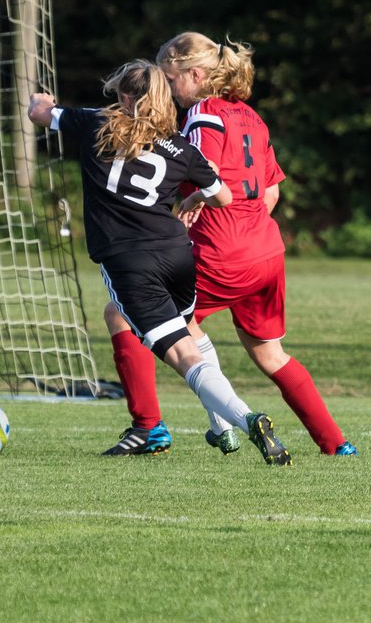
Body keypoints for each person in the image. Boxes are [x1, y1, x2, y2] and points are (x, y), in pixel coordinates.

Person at [27, 59, 292, 465]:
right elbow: (222, 196)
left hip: (132, 262)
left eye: (118, 94)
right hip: (178, 255)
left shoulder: (93, 123)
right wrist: (192, 198)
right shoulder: (180, 147)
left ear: (127, 98)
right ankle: (221, 430)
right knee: (190, 331)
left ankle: (246, 418)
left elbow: (39, 114)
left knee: (183, 356)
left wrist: (41, 99)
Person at [103, 32, 356, 457]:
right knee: (270, 355)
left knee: (123, 315)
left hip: (222, 252)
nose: (164, 88)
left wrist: (194, 197)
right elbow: (271, 193)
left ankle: (150, 428)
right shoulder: (252, 117)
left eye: (168, 78)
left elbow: (208, 171)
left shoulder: (202, 113)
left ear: (195, 75)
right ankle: (336, 444)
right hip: (267, 252)